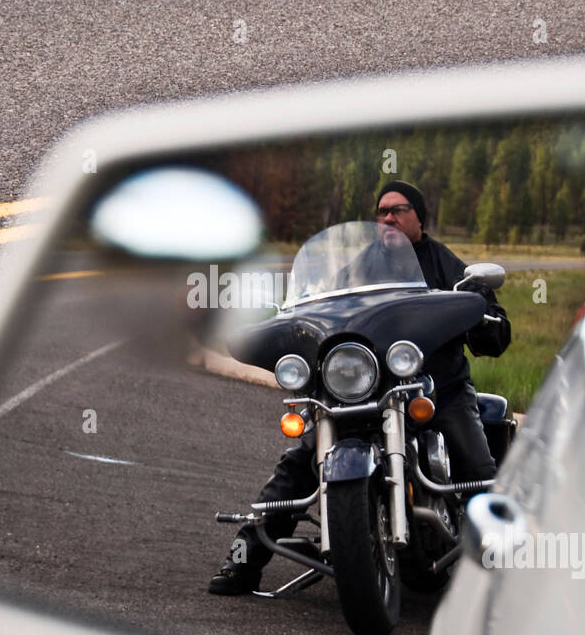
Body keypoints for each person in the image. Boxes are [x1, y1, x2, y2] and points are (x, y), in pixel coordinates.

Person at [208, 180, 511, 595]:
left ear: (419, 219)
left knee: (477, 470)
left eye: (399, 210)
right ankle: (243, 561)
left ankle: (507, 574)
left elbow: (494, 331)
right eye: (382, 211)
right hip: (367, 393)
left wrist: (483, 309)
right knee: (298, 464)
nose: (388, 217)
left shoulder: (444, 264)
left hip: (435, 391)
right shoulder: (357, 268)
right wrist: (295, 318)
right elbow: (321, 305)